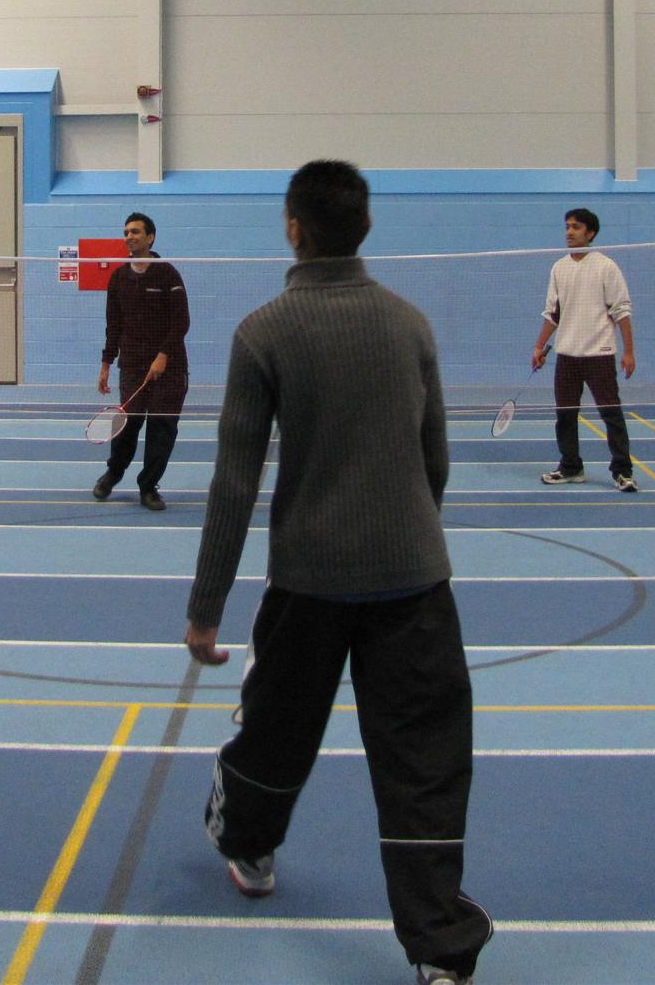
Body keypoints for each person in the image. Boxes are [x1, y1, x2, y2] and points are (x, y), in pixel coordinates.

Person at [184, 160, 492, 985]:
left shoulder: (262, 332)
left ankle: (248, 846)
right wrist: (408, 539)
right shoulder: (410, 325)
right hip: (415, 586)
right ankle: (442, 950)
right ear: (366, 227)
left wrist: (205, 609)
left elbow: (234, 482)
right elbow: (435, 461)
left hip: (307, 587)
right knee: (425, 762)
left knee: (276, 732)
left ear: (293, 228)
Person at [532, 207, 637, 490]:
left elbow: (622, 311)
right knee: (565, 415)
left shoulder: (606, 266)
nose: (569, 232)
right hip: (567, 356)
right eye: (567, 226)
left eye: (576, 227)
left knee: (611, 414)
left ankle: (622, 471)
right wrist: (539, 346)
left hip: (599, 355)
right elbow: (553, 314)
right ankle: (571, 467)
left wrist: (628, 352)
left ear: (590, 233)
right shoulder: (559, 268)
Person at [95, 212, 189, 511]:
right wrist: (106, 363)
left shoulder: (168, 274)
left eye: (135, 232)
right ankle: (113, 472)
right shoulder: (118, 278)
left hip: (170, 367)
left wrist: (163, 356)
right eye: (126, 232)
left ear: (150, 237)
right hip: (133, 365)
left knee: (162, 427)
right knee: (127, 423)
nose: (129, 237)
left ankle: (148, 487)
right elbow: (113, 325)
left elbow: (181, 322)